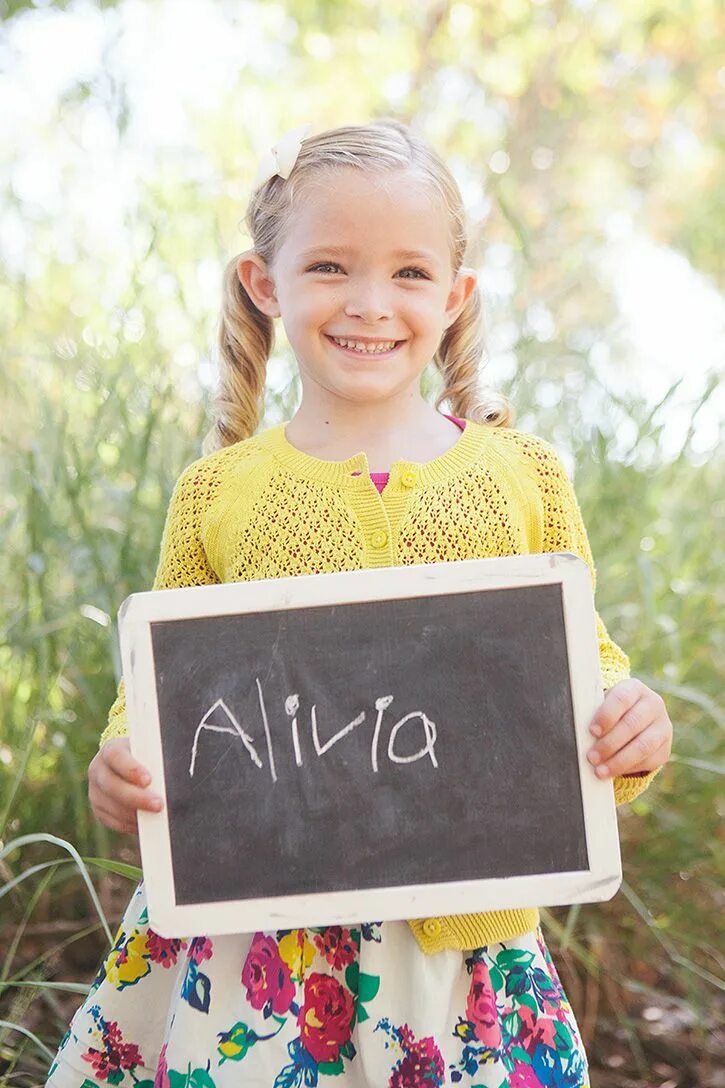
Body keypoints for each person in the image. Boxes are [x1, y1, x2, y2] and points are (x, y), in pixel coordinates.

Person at [47, 119, 673, 1088]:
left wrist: (632, 728)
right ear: (266, 282)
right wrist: (119, 770)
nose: (370, 304)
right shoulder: (218, 494)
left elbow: (582, 674)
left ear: (454, 295)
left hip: (459, 951)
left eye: (410, 274)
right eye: (331, 265)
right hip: (255, 957)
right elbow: (157, 692)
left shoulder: (522, 477)